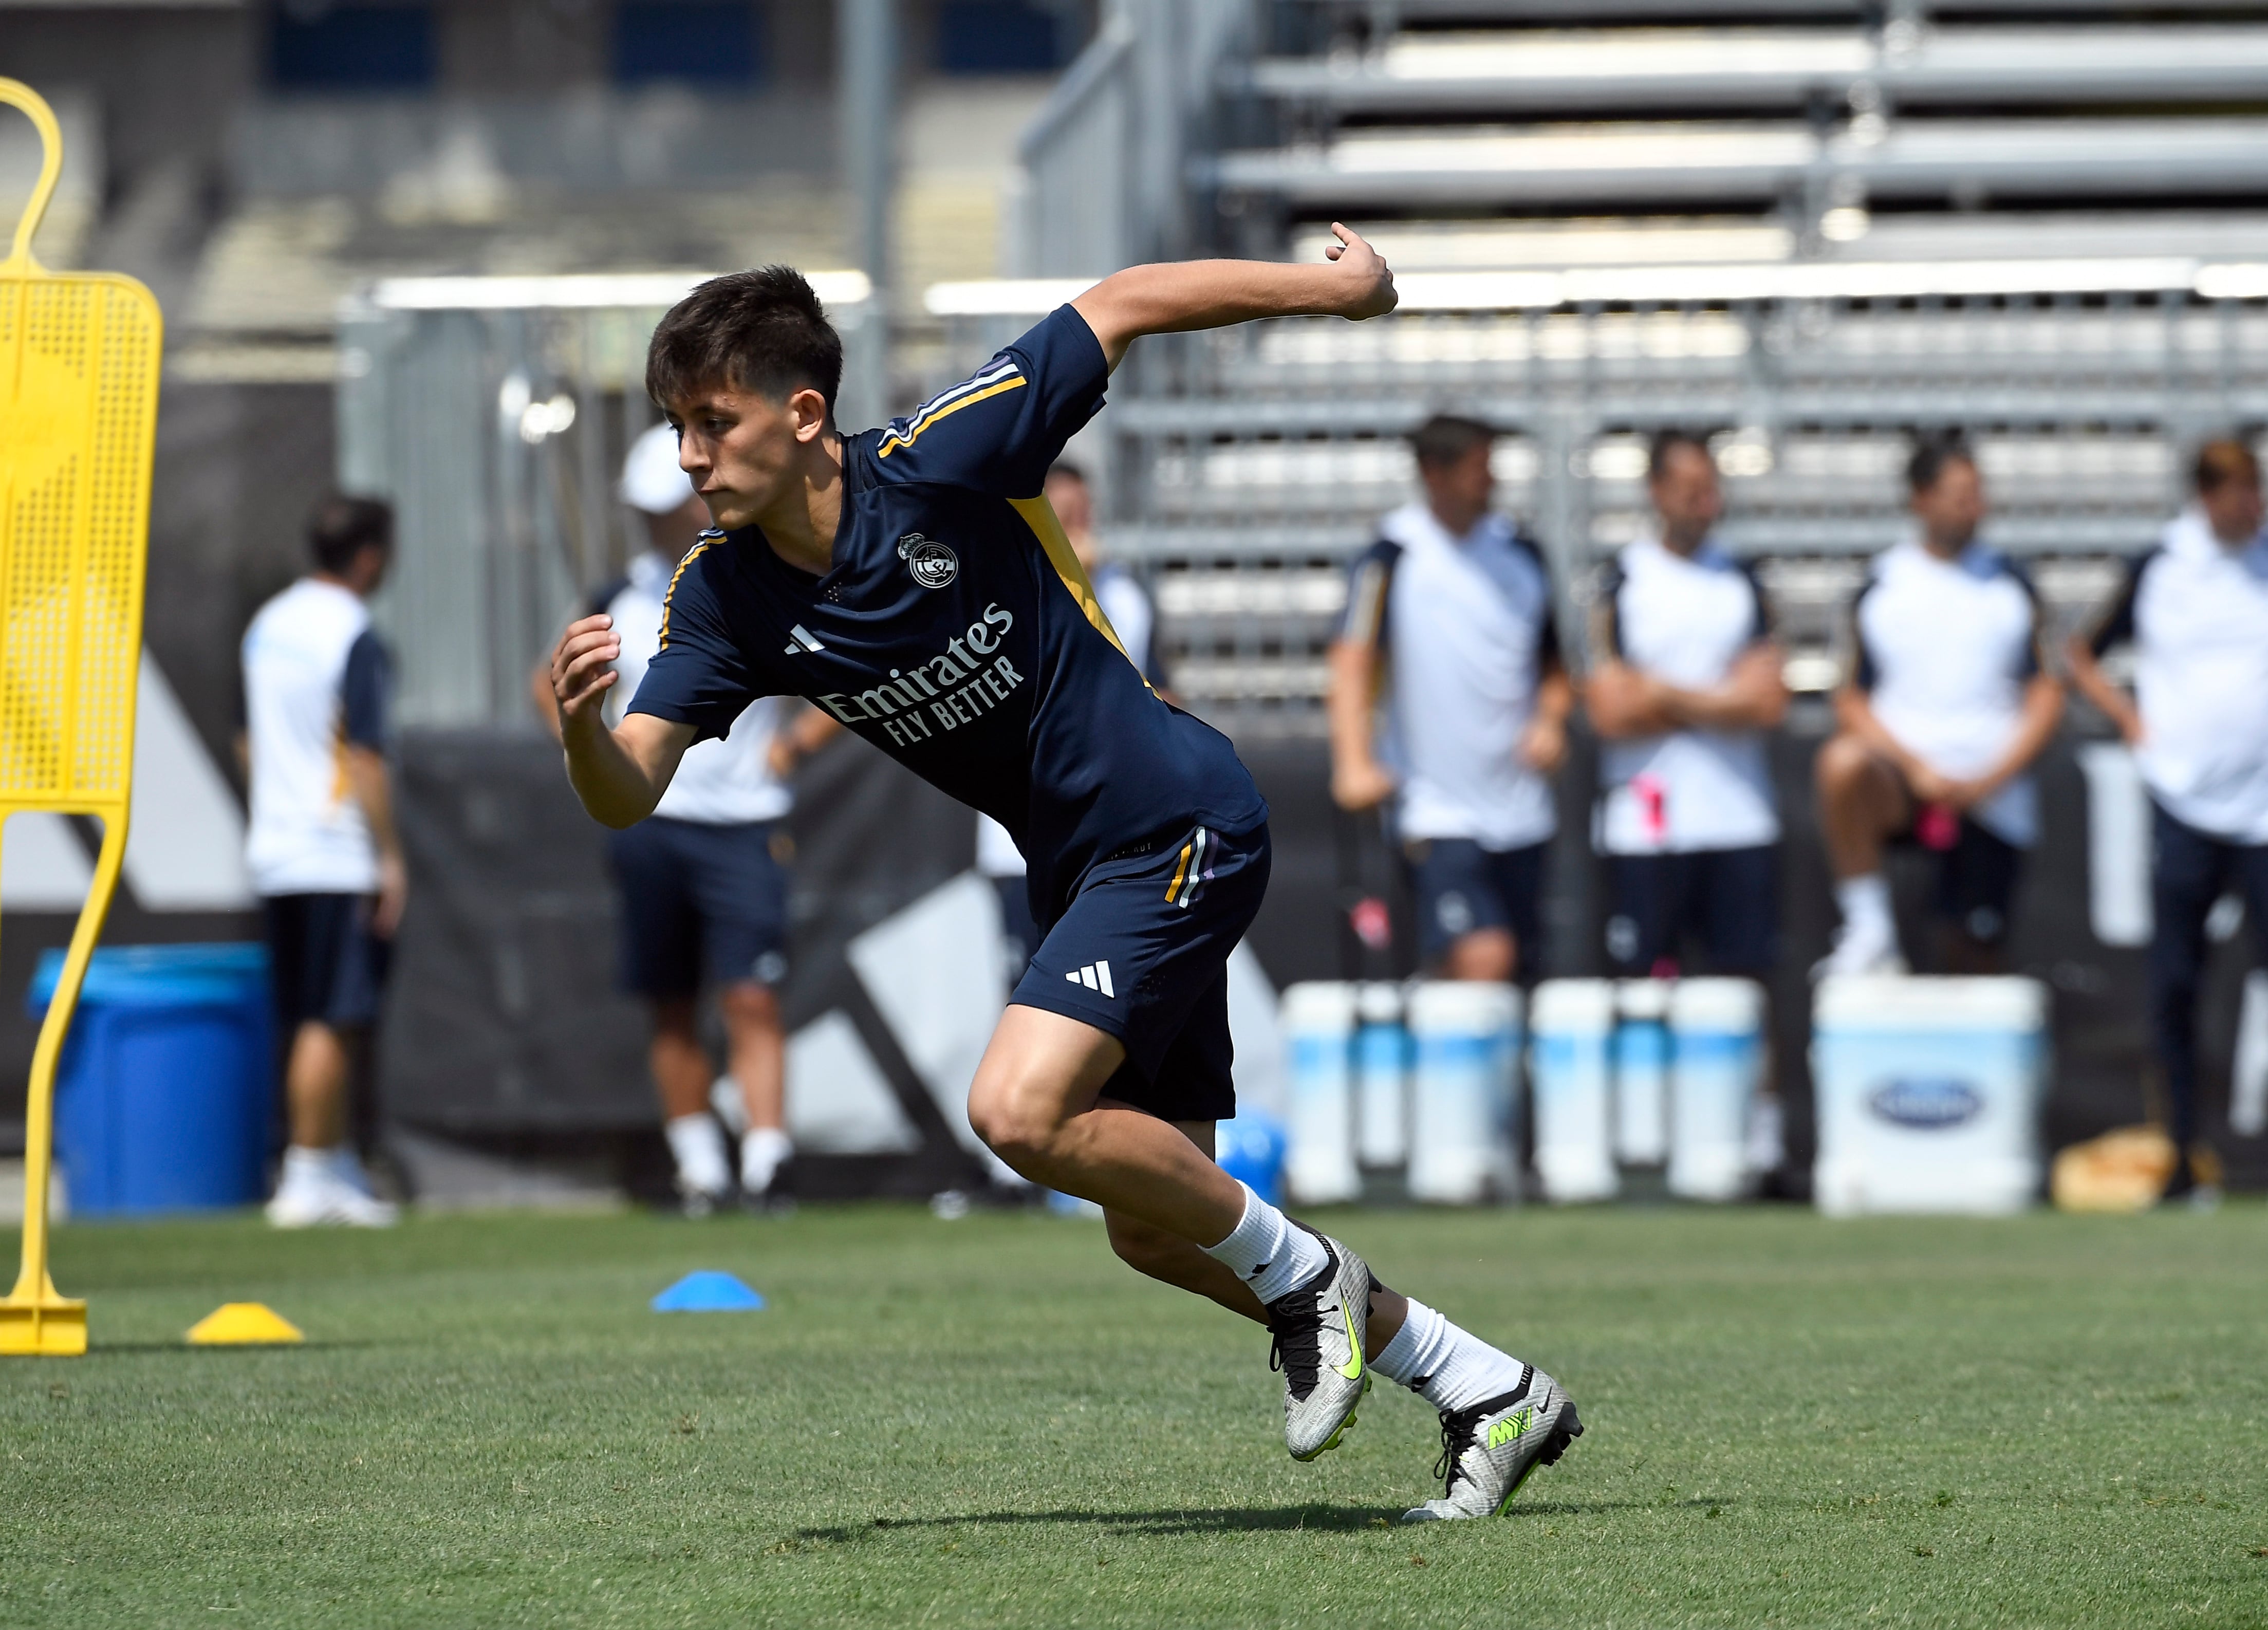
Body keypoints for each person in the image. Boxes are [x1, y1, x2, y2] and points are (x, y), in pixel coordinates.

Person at [547, 240, 1580, 1521]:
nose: (690, 457)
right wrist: (585, 731)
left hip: (1179, 818)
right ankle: (1487, 1387)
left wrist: (1335, 293)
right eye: (677, 430)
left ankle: (1312, 1285)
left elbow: (1122, 302)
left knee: (1018, 1113)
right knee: (1151, 1225)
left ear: (802, 413)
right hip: (1083, 871)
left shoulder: (939, 459)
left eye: (711, 423)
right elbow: (628, 788)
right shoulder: (723, 599)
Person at [534, 422, 837, 1214]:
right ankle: (699, 1165)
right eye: (645, 509)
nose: (654, 522)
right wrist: (582, 745)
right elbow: (552, 683)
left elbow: (849, 657)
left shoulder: (760, 574)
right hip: (652, 828)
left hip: (745, 825)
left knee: (751, 996)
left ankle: (770, 1162)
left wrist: (797, 744)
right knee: (669, 998)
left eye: (664, 506)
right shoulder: (617, 596)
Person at [2069, 436, 2268, 1200]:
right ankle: (2182, 1152)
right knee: (2175, 984)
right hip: (2184, 802)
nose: (2249, 507)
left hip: (2262, 809)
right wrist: (2130, 719)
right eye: (2237, 493)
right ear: (2203, 495)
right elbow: (2081, 652)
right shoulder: (2159, 567)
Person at [1327, 413, 1569, 981]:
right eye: (1477, 468)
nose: (1491, 481)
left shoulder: (1521, 551)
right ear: (1434, 473)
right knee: (1485, 956)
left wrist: (1551, 721)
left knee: (1518, 974)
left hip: (1520, 805)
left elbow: (1556, 670)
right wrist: (1354, 762)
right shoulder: (1392, 555)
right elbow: (1352, 659)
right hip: (1436, 806)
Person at [1814, 432, 2065, 976]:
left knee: (1975, 954)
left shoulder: (2011, 582)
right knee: (1842, 764)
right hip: (1905, 787)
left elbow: (2046, 691)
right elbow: (1850, 699)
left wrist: (1992, 774)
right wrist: (1918, 769)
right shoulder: (1881, 583)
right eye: (1958, 494)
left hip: (1993, 794)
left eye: (1977, 493)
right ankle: (1868, 926)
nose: (1972, 507)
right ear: (1920, 499)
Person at [243, 492, 404, 1229]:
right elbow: (365, 755)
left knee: (310, 1012)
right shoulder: (353, 632)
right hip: (334, 850)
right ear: (369, 556)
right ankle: (307, 1175)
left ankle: (329, 1160)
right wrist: (391, 857)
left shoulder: (266, 625)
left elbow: (248, 742)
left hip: (277, 846)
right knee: (329, 1018)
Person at [1584, 431, 1790, 978]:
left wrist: (1661, 691)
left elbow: (1768, 704)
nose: (1708, 502)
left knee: (1746, 997)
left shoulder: (1743, 580)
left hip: (1738, 817)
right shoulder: (1623, 581)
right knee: (1646, 998)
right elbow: (1611, 713)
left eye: (1712, 488)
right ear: (1657, 490)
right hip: (1648, 825)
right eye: (1692, 489)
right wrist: (1725, 698)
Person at [976, 458, 1166, 971]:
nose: (1077, 530)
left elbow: (1162, 700)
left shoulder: (1126, 597)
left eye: (1083, 515)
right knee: (1032, 992)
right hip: (1025, 842)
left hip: (1110, 837)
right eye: (1064, 517)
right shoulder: (999, 595)